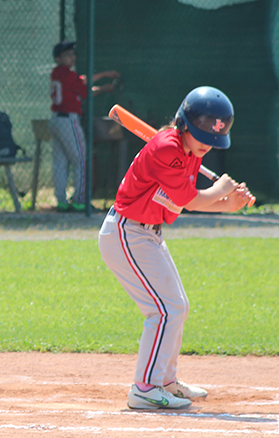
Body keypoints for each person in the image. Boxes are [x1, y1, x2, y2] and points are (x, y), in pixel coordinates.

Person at [98, 86, 253, 410]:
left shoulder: (188, 154)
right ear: (185, 125)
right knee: (165, 310)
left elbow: (181, 202)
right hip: (127, 233)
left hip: (148, 235)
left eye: (212, 141)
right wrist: (219, 189)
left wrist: (228, 204)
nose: (208, 146)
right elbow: (190, 198)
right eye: (202, 138)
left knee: (176, 307)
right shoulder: (166, 148)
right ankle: (145, 388)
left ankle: (165, 380)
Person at [49, 41, 121, 212]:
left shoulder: (58, 73)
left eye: (72, 54)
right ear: (58, 58)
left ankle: (61, 202)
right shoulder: (66, 73)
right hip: (68, 120)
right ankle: (80, 201)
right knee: (81, 160)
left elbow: (83, 87)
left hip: (56, 120)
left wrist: (102, 86)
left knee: (60, 163)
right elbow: (84, 85)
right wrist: (105, 79)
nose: (72, 57)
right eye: (67, 55)